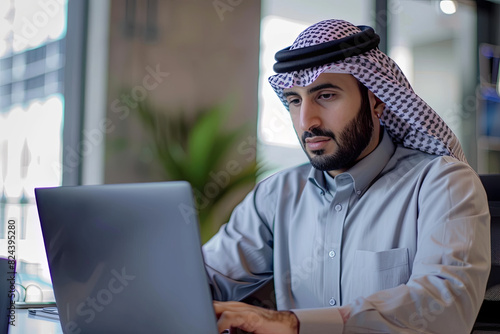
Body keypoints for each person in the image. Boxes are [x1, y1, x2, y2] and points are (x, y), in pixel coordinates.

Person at [202, 19, 491, 333]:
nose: (306, 121)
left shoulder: (443, 184)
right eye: (295, 100)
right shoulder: (276, 195)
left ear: (377, 100)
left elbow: (443, 305)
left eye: (325, 95)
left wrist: (295, 324)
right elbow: (206, 277)